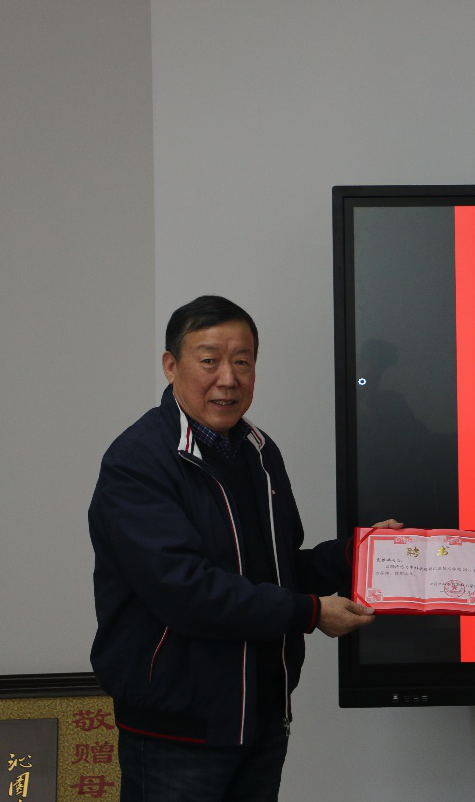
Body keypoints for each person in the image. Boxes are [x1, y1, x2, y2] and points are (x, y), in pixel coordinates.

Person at [89, 295, 399, 802]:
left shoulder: (259, 451)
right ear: (171, 366)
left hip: (261, 717)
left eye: (243, 362)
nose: (228, 379)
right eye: (209, 360)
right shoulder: (138, 461)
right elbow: (186, 592)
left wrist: (358, 555)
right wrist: (310, 612)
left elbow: (279, 569)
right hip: (177, 732)